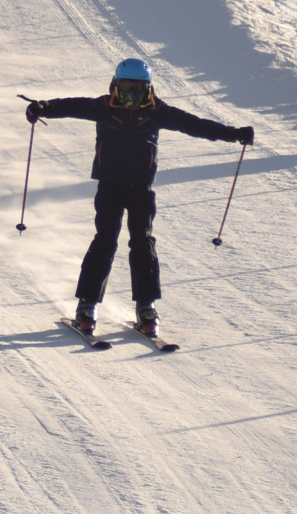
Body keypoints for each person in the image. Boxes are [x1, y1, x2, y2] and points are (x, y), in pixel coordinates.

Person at [25, 58, 253, 337]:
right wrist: (43, 107)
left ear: (148, 88)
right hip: (109, 187)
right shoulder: (103, 106)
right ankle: (87, 307)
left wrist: (233, 134)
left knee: (143, 243)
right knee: (105, 241)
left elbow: (195, 125)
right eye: (127, 88)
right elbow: (72, 106)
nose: (132, 95)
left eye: (138, 89)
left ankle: (146, 308)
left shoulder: (157, 111)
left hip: (141, 189)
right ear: (116, 85)